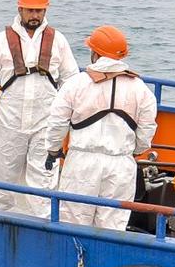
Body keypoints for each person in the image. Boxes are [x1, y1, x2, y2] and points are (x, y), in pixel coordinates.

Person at [0, 0, 79, 215]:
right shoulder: (1, 40)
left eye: (39, 11)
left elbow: (71, 80)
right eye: (30, 10)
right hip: (9, 120)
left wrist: (72, 114)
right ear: (20, 9)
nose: (35, 15)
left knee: (44, 178)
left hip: (46, 121)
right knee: (1, 173)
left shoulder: (58, 40)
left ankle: (43, 225)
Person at [41, 25, 158, 231]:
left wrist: (53, 149)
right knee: (113, 227)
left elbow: (57, 122)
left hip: (82, 164)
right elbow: (147, 131)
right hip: (121, 165)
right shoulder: (141, 89)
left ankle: (76, 263)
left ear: (94, 53)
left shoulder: (76, 84)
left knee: (74, 225)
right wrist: (135, 151)